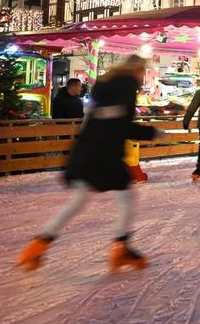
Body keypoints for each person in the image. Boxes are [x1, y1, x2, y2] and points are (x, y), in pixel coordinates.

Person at [15, 55, 163, 272]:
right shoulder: (126, 88)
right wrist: (152, 132)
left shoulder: (102, 87)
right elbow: (121, 125)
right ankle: (120, 248)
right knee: (126, 197)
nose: (142, 77)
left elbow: (99, 120)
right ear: (137, 71)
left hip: (85, 149)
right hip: (105, 154)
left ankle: (38, 245)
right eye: (143, 72)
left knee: (79, 200)